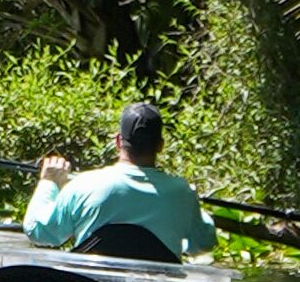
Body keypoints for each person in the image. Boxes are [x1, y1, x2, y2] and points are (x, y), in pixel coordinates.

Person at [25, 102, 218, 259]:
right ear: (160, 146)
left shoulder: (84, 184)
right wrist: (197, 209)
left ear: (118, 142)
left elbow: (38, 232)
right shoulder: (182, 193)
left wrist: (49, 182)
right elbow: (203, 244)